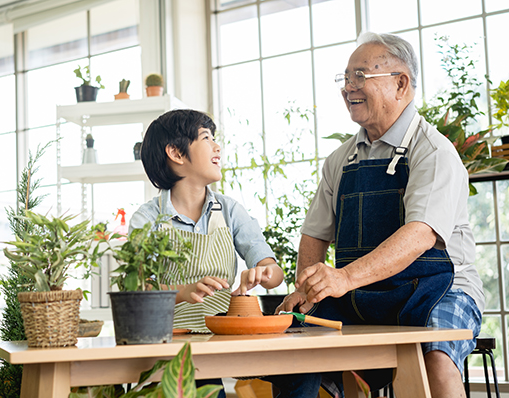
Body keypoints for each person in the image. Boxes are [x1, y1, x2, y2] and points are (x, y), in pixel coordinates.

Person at [275, 32, 484, 398]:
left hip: (441, 291)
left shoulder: (434, 152)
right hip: (363, 293)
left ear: (400, 83)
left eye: (359, 76)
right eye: (344, 78)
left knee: (433, 357)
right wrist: (306, 291)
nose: (347, 88)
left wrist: (343, 278)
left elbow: (420, 234)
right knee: (296, 347)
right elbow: (314, 236)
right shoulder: (340, 160)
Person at [129, 108, 284, 397]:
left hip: (224, 340)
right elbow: (138, 290)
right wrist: (181, 291)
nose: (217, 146)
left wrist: (263, 272)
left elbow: (275, 274)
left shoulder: (229, 210)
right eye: (206, 138)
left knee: (293, 372)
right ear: (176, 153)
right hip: (171, 347)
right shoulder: (147, 219)